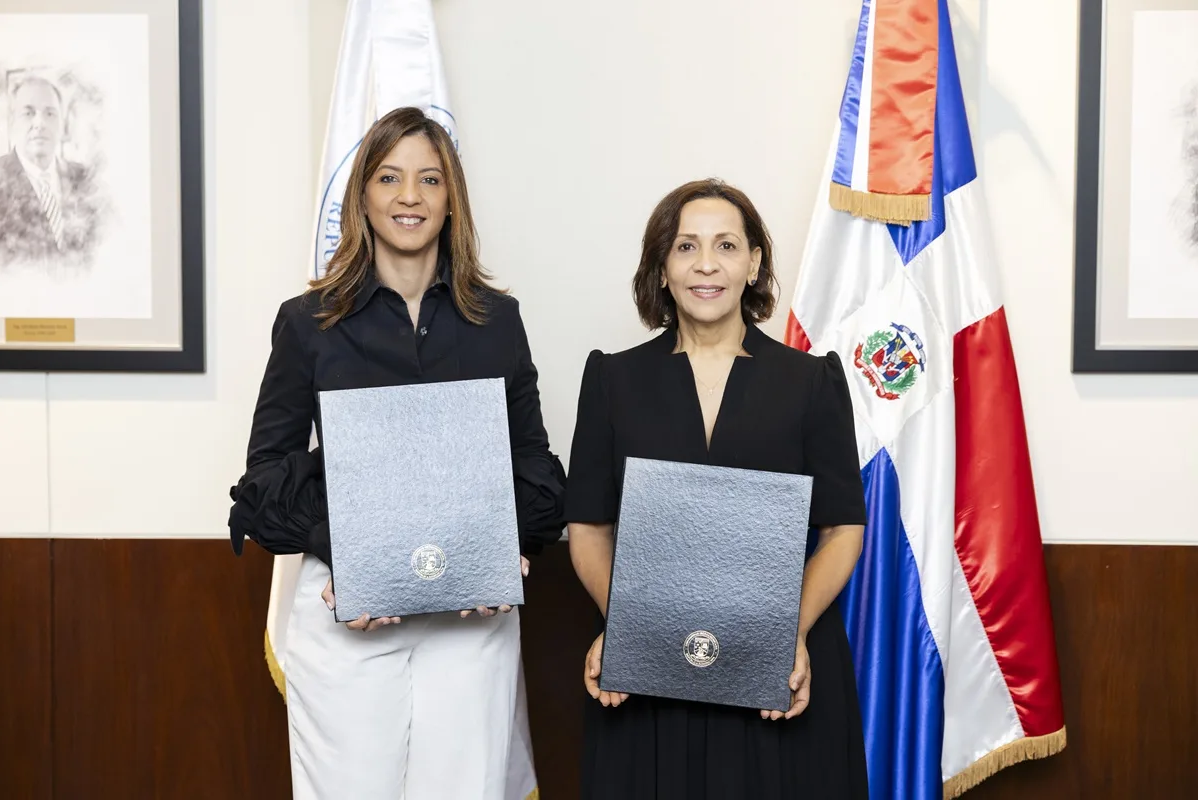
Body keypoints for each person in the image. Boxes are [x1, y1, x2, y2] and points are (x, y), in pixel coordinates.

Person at [227, 106, 565, 799]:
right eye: (389, 177)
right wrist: (350, 559)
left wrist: (502, 550)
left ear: (451, 200)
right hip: (348, 624)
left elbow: (534, 466)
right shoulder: (308, 321)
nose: (410, 196)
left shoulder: (497, 322)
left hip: (472, 628)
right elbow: (264, 478)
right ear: (363, 196)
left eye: (429, 179)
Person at [565, 178, 869, 799]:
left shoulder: (811, 381)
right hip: (649, 680)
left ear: (754, 262)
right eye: (686, 247)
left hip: (779, 674)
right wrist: (627, 628)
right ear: (661, 267)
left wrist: (791, 634)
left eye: (727, 246)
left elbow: (844, 529)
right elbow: (589, 529)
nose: (707, 264)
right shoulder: (611, 379)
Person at [0, 74, 99, 266]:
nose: (40, 123)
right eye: (28, 113)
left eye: (50, 113)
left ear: (62, 124)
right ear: (12, 124)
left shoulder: (86, 181)